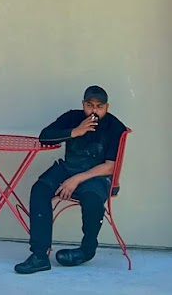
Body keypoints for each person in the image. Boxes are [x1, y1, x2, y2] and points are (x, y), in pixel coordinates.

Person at [14, 86, 126, 274]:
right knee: (39, 190)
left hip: (96, 175)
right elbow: (44, 137)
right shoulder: (73, 117)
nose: (94, 111)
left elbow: (110, 166)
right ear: (83, 104)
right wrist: (75, 131)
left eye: (99, 106)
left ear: (107, 107)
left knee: (92, 200)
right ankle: (39, 255)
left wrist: (77, 179)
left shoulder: (115, 127)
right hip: (68, 168)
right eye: (90, 105)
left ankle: (86, 250)